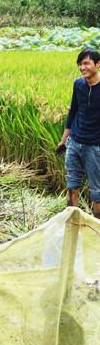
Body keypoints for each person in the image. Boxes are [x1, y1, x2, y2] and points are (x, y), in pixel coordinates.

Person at [57, 48, 100, 219]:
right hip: (74, 142)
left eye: (86, 63)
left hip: (94, 146)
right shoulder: (78, 84)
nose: (82, 68)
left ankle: (97, 231)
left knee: (96, 191)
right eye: (80, 64)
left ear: (98, 64)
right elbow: (73, 111)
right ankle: (72, 222)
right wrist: (63, 140)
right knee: (72, 185)